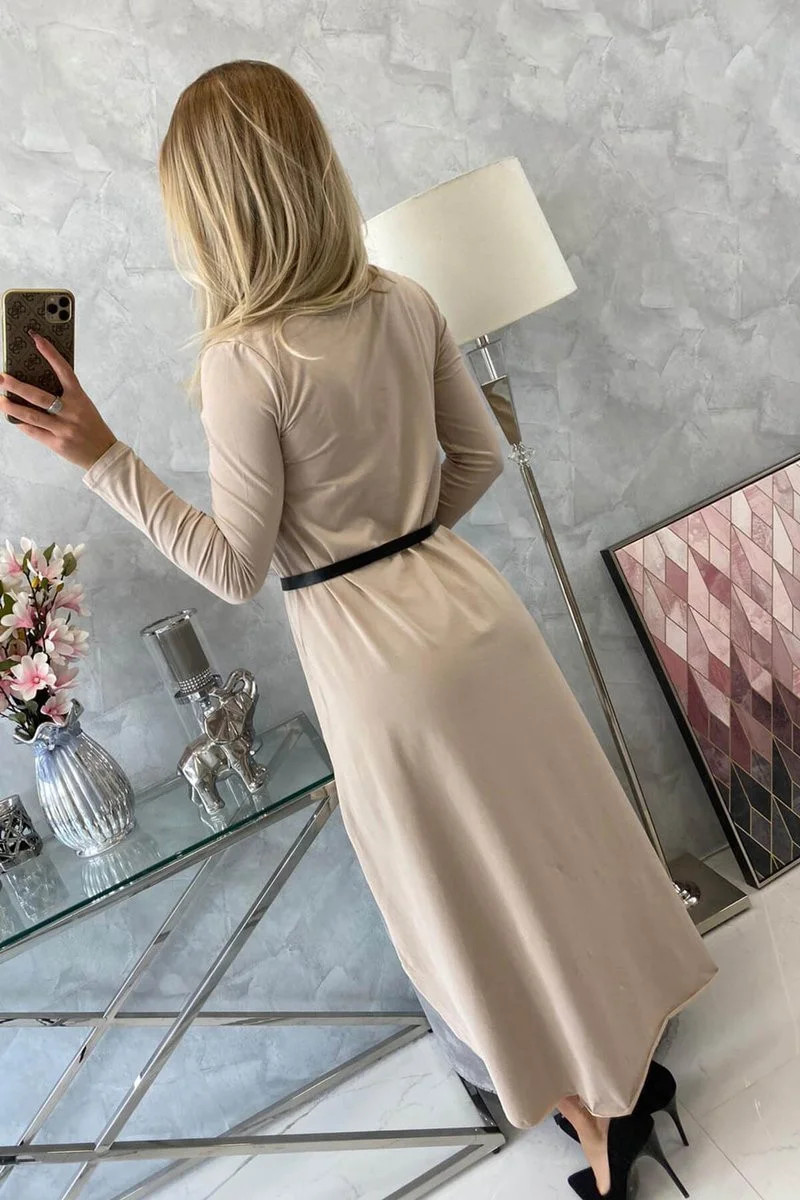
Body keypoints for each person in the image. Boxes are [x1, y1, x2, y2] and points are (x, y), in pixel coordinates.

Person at [0, 60, 718, 1198]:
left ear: (212, 212)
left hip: (374, 661)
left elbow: (233, 566)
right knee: (552, 849)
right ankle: (630, 1063)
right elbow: (478, 458)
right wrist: (402, 539)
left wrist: (104, 459)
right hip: (472, 610)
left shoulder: (244, 360)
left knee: (463, 900)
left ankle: (596, 1120)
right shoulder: (403, 300)